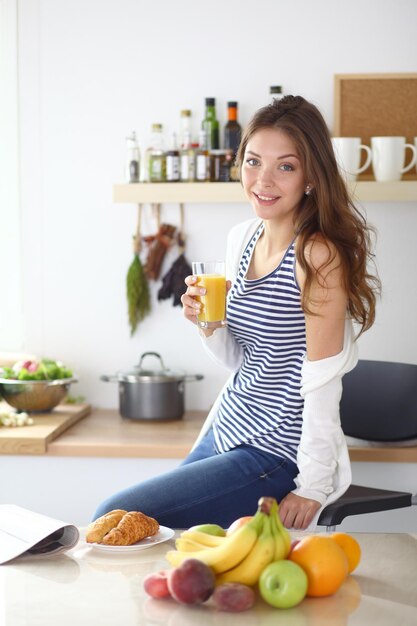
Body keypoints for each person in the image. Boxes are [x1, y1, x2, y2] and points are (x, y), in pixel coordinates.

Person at [93, 95, 380, 530]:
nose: (262, 180)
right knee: (146, 536)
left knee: (114, 519)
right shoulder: (243, 237)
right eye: (252, 161)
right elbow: (240, 359)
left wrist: (314, 484)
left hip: (274, 453)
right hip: (228, 427)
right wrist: (207, 324)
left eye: (285, 166)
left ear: (311, 177)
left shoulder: (316, 255)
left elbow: (323, 379)